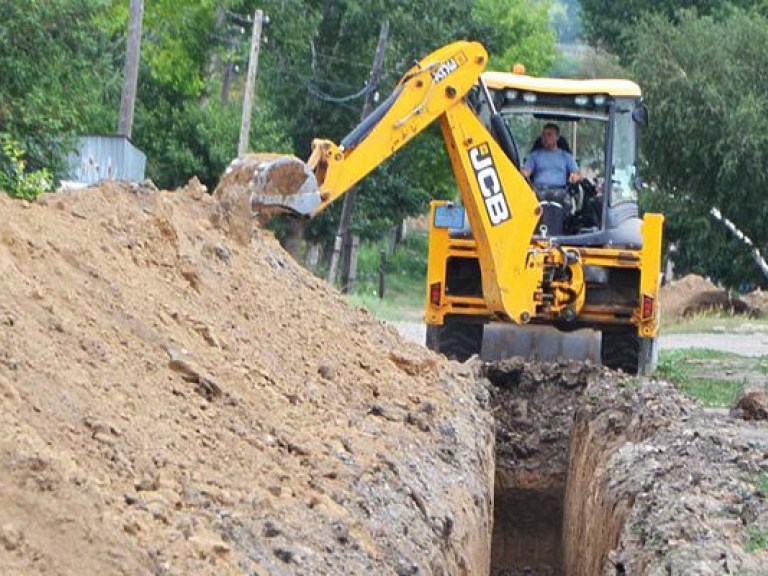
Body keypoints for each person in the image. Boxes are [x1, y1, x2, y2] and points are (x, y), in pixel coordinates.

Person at [521, 123, 581, 189]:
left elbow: (576, 173)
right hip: (538, 191)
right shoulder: (534, 155)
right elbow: (526, 171)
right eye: (543, 135)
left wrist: (575, 176)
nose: (545, 138)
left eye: (549, 135)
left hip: (561, 191)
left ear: (557, 137)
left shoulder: (566, 156)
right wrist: (523, 173)